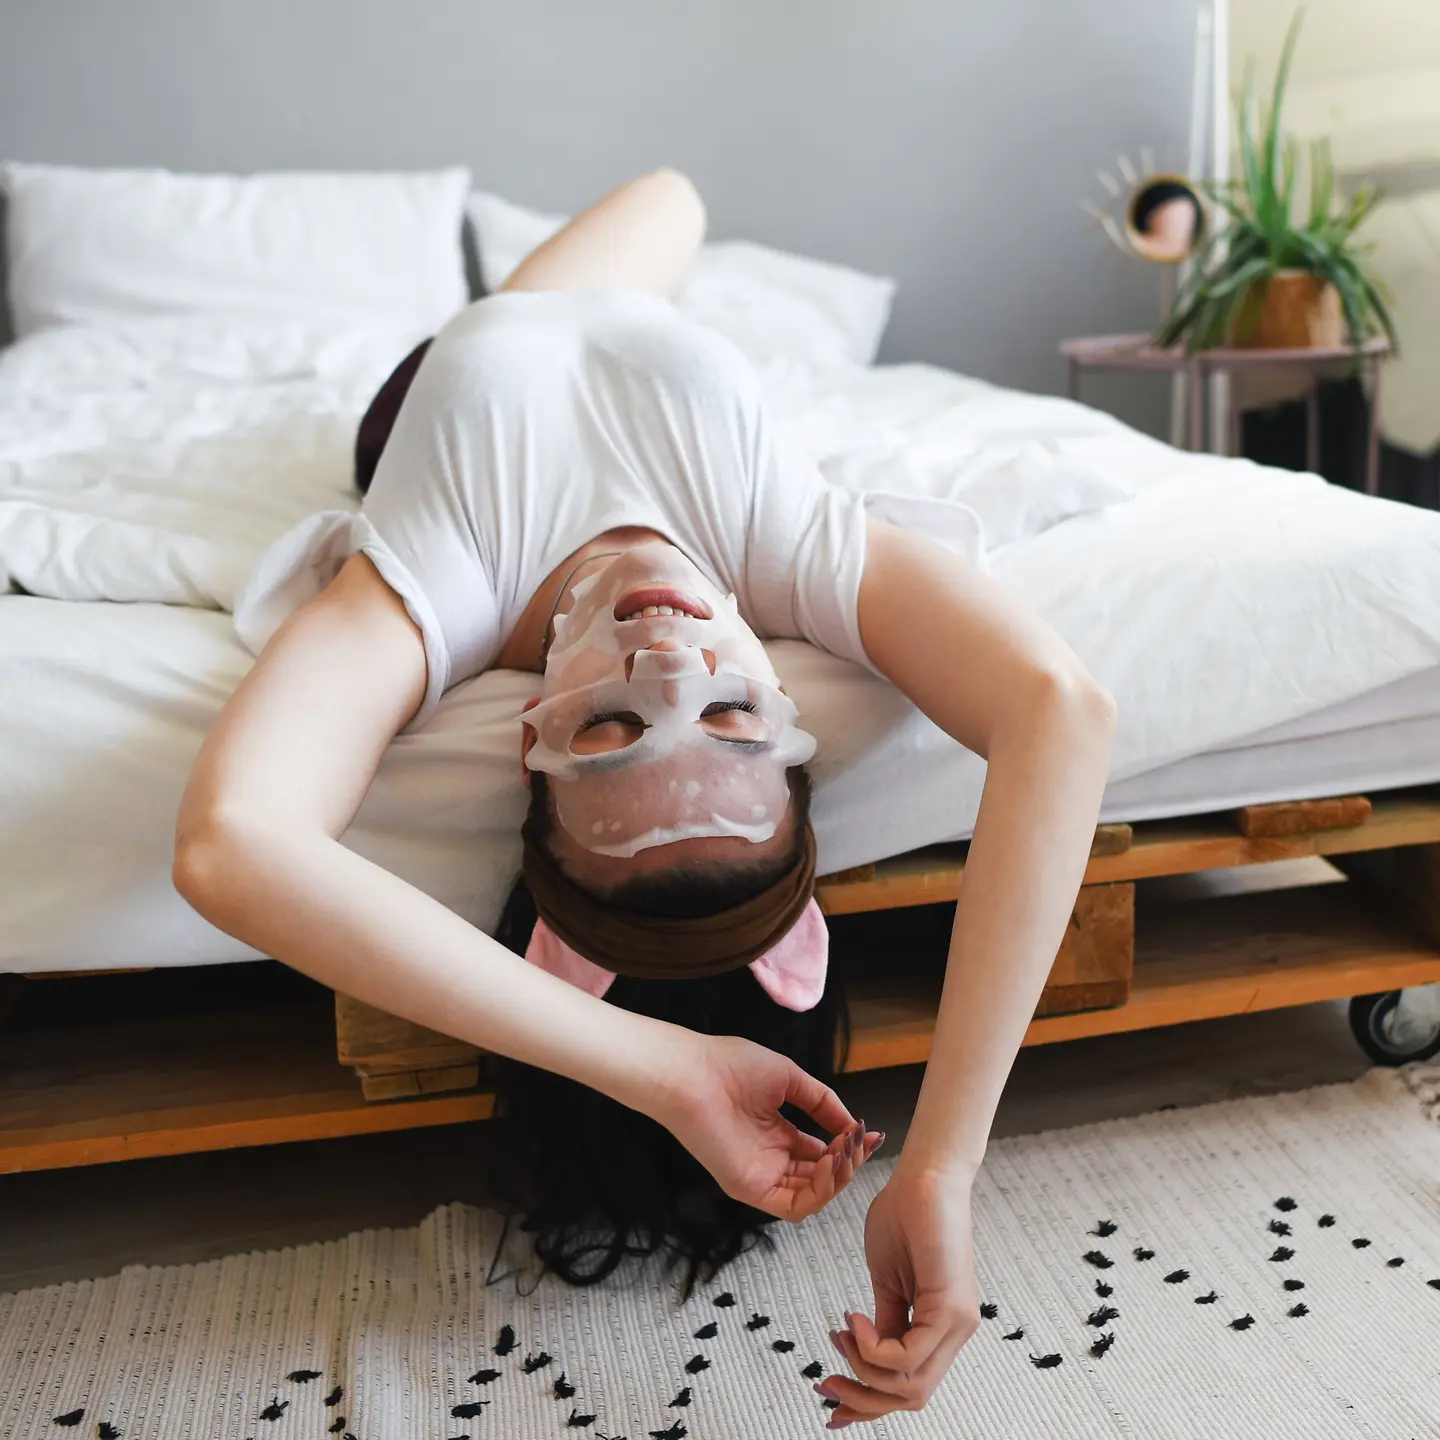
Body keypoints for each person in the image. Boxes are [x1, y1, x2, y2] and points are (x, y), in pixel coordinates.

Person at [174, 169, 1116, 1429]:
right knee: (675, 194)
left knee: (647, 212)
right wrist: (943, 1165)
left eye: (611, 723)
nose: (669, 655)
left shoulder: (442, 576)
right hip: (607, 311)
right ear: (787, 724)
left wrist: (664, 1072)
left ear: (526, 742)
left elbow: (234, 841)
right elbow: (1062, 710)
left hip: (433, 385)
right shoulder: (782, 545)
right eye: (732, 712)